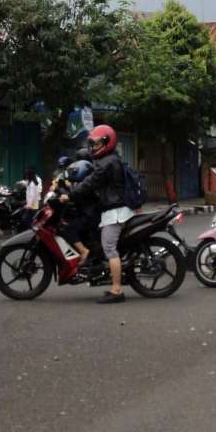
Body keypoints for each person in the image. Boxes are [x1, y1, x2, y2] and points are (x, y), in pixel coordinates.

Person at [60, 126, 131, 304]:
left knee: (109, 248)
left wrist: (70, 195)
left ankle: (116, 291)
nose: (93, 147)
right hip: (111, 209)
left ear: (108, 142)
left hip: (115, 211)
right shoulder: (109, 160)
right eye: (92, 143)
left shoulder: (107, 163)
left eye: (97, 143)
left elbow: (90, 182)